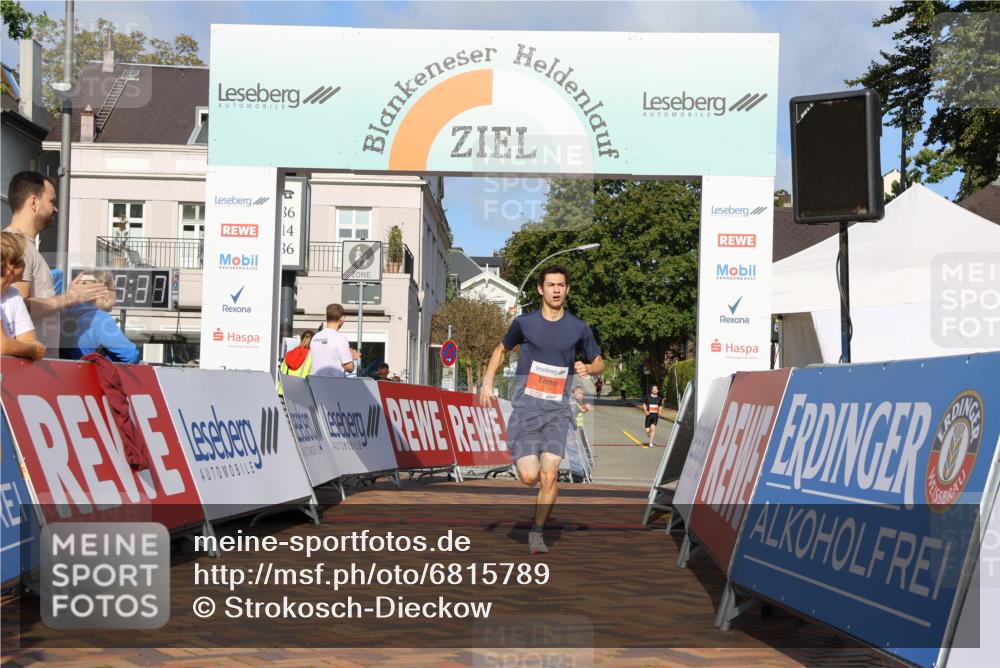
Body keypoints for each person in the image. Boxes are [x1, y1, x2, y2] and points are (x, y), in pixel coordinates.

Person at [480, 264, 603, 555]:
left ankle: (537, 532)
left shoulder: (578, 327)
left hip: (557, 412)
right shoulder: (524, 324)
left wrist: (589, 368)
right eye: (551, 285)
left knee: (549, 474)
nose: (556, 290)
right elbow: (500, 350)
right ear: (540, 289)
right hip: (527, 409)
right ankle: (524, 461)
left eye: (561, 285)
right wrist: (486, 382)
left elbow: (600, 363)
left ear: (567, 289)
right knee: (529, 477)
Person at [4, 172, 106, 355]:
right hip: (29, 365)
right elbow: (20, 305)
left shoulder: (23, 246)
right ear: (34, 203)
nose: (56, 209)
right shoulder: (18, 249)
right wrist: (70, 298)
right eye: (51, 201)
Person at [62, 270, 140, 363]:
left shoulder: (65, 315)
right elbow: (131, 356)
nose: (116, 297)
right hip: (93, 372)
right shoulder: (100, 319)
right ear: (104, 292)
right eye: (117, 291)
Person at [1, 232, 45, 360]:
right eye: (23, 259)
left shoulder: (13, 294)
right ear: (11, 265)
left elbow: (28, 339)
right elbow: (3, 346)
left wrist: (24, 347)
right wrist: (35, 350)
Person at [310, 303, 354, 377]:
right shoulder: (340, 339)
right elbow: (350, 368)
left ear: (326, 317)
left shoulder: (315, 337)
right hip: (334, 382)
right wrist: (350, 356)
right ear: (342, 318)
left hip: (316, 382)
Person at [276, 330, 314, 395]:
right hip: (299, 393)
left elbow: (281, 372)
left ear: (301, 340)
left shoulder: (290, 353)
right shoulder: (312, 355)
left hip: (282, 391)